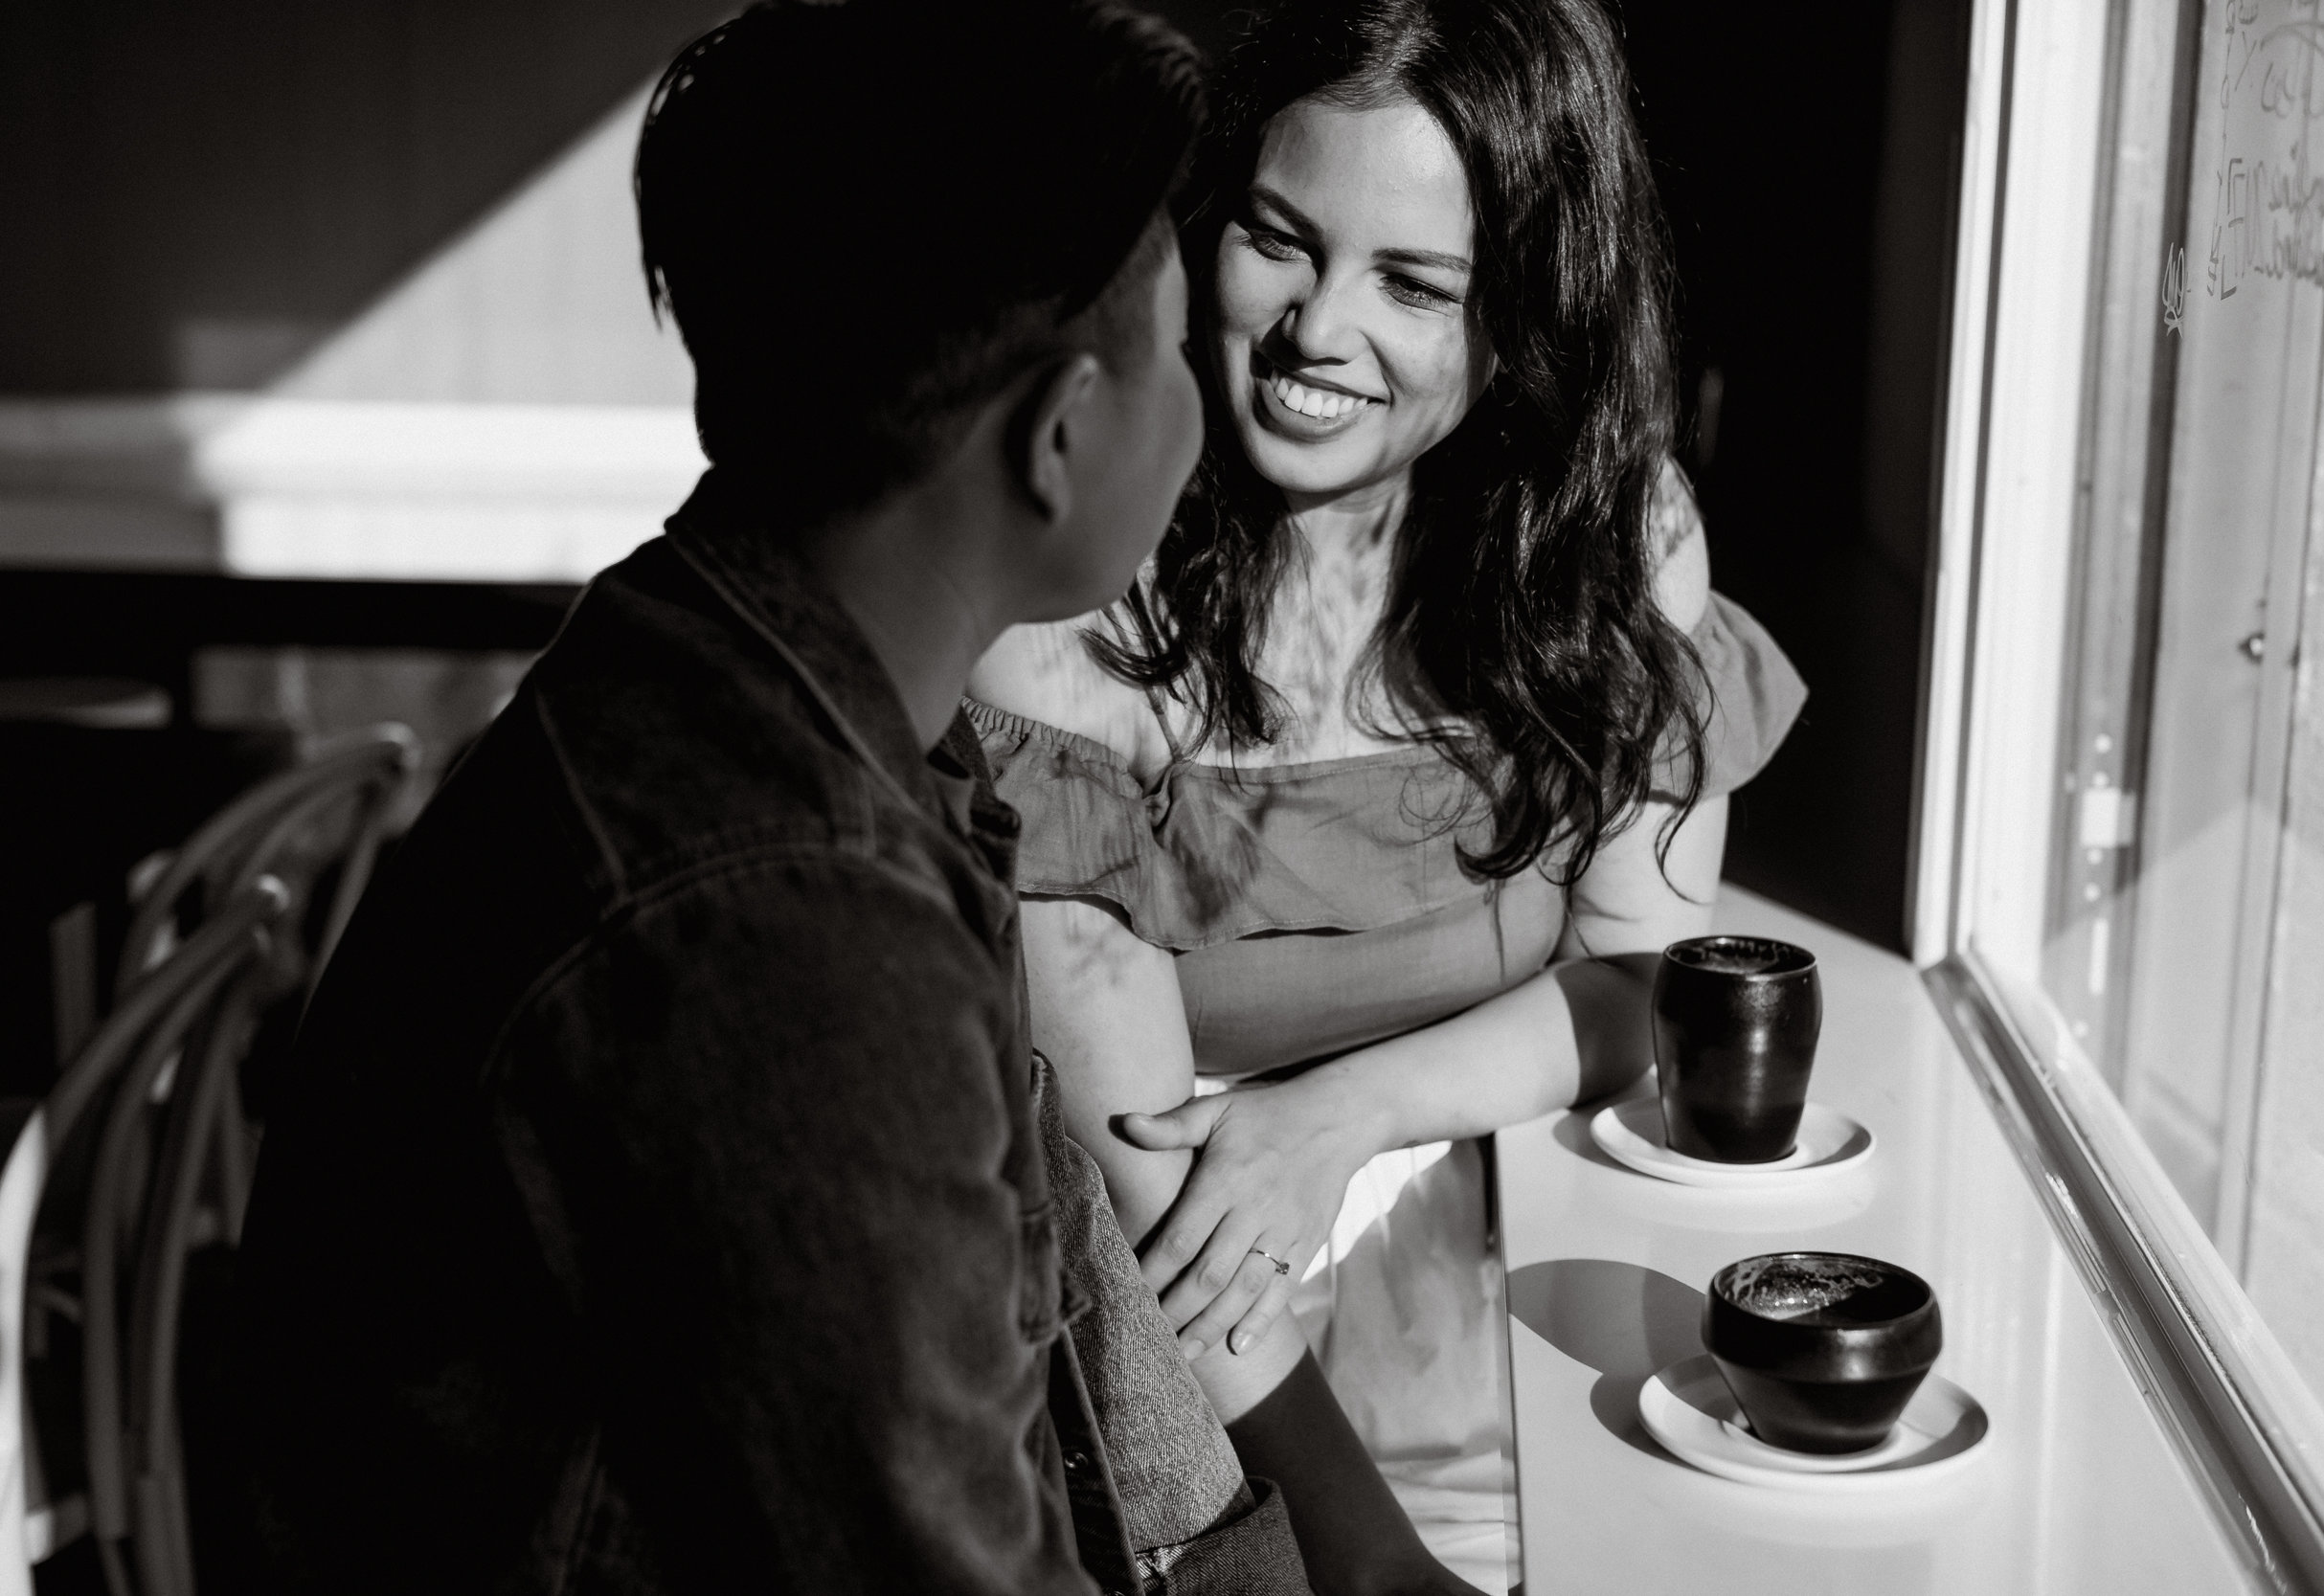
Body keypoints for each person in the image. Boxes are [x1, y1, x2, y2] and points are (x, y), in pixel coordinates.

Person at [232, 4, 1314, 1591]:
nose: (1206, 408)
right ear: (1063, 433)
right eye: (1168, 351)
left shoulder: (728, 675)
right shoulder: (789, 922)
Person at [966, 0, 1807, 1587]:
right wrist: (1367, 1559)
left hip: (1501, 1275)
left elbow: (1646, 985)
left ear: (1527, 317)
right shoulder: (1077, 587)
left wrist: (1337, 1114)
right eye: (1279, 243)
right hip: (1153, 1354)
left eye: (1414, 283)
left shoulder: (1613, 546)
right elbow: (1138, 1172)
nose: (1314, 331)